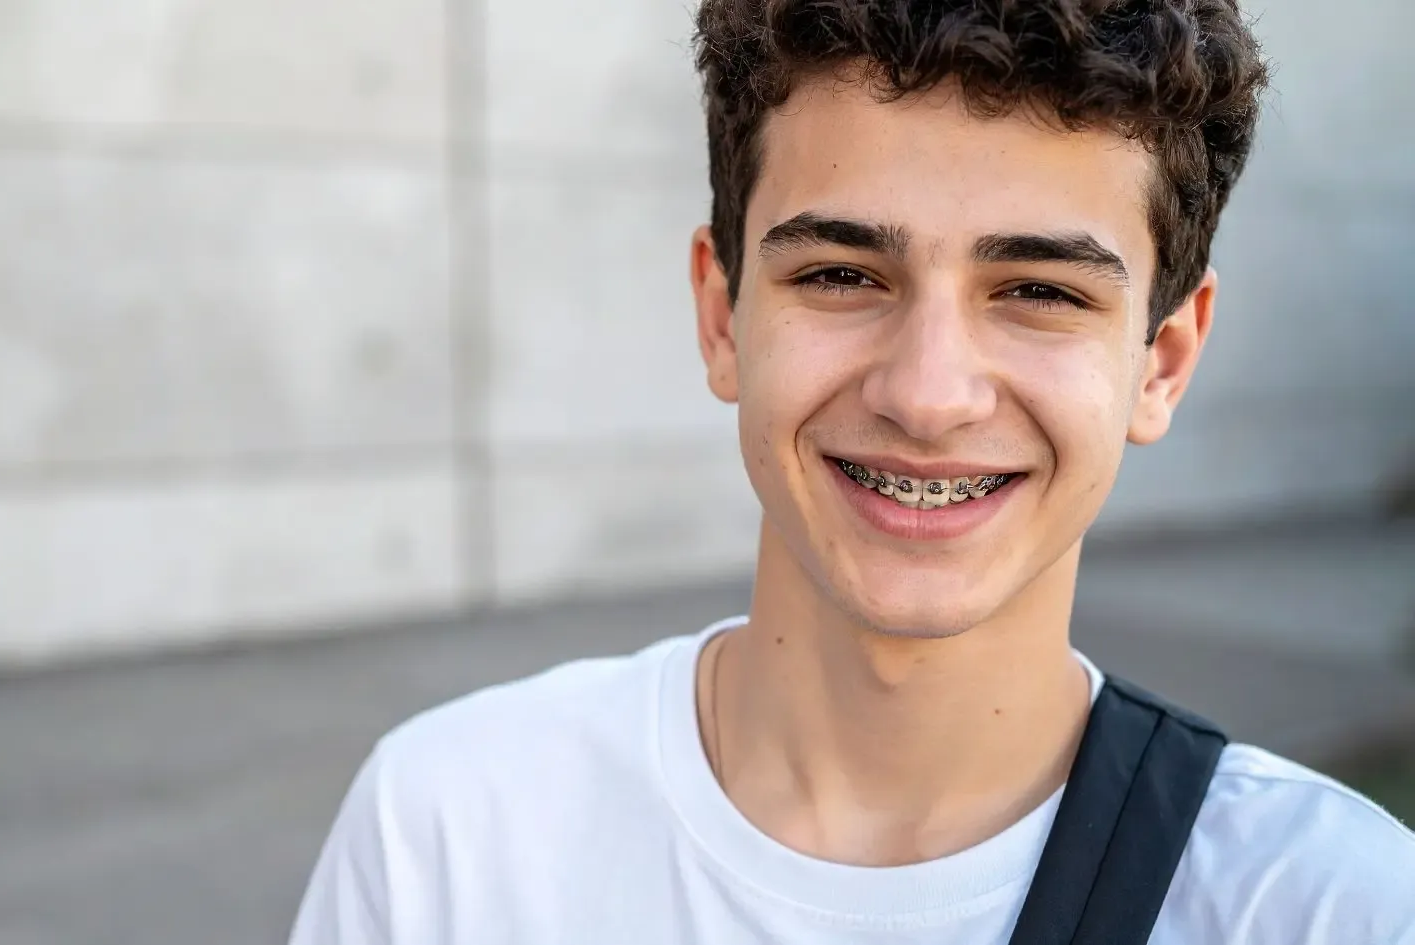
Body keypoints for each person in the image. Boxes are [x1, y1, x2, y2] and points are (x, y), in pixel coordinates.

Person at [291, 2, 1415, 942]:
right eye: (841, 274)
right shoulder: (449, 832)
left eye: (1039, 291)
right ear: (722, 315)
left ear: (1162, 363)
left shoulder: (1323, 906)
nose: (928, 395)